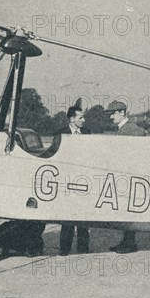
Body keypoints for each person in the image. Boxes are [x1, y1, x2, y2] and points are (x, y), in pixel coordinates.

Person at [105, 100, 146, 254]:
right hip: (123, 177)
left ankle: (129, 243)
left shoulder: (133, 130)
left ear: (122, 113)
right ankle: (127, 241)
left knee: (128, 211)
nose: (110, 117)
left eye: (113, 113)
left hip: (130, 178)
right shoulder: (122, 129)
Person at [57, 106, 92, 255]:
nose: (83, 120)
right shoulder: (61, 135)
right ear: (72, 119)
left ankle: (83, 248)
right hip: (67, 180)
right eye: (80, 118)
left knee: (83, 217)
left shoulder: (88, 134)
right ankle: (65, 249)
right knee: (67, 216)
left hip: (84, 180)